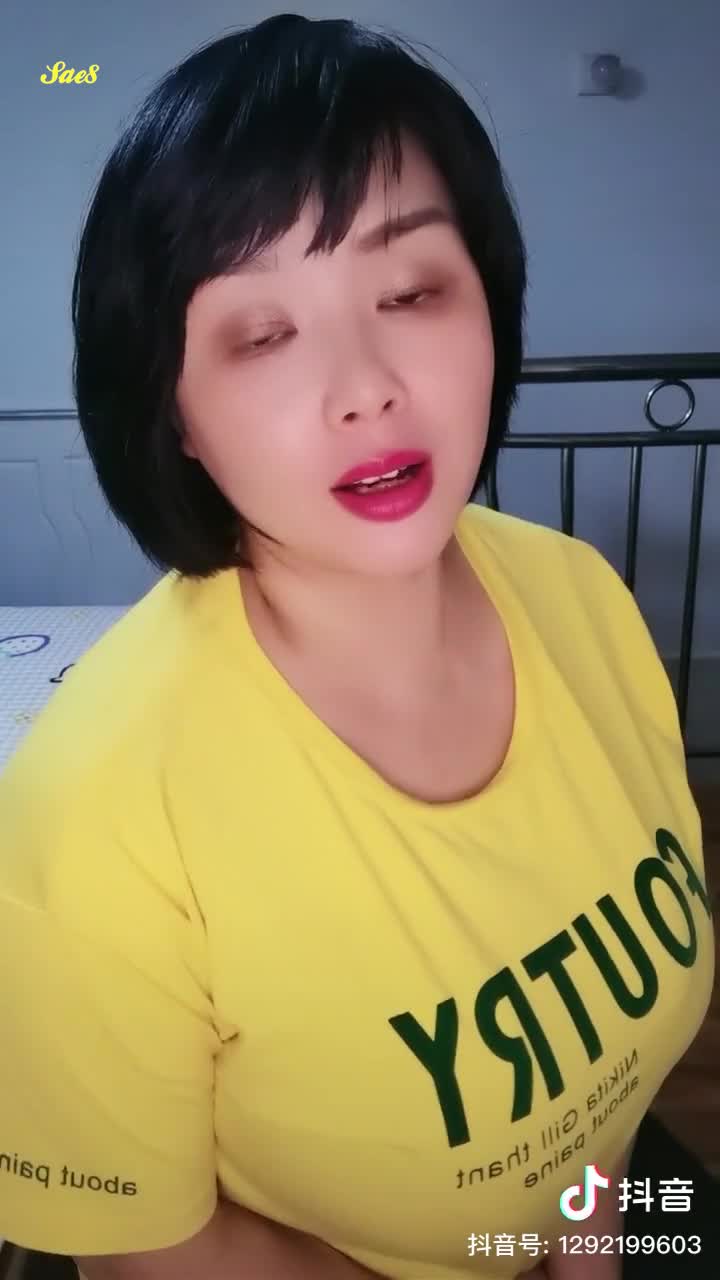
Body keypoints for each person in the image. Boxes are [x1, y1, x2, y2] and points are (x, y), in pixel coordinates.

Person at [0, 13, 714, 1280]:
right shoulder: (97, 814)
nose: (366, 385)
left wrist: (583, 1253)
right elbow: (147, 1250)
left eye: (410, 291)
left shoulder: (582, 595)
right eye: (262, 334)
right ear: (173, 413)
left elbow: (599, 1095)